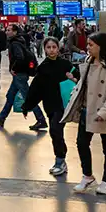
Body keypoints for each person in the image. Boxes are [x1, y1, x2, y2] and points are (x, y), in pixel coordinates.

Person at [66, 32, 106, 195]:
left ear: (101, 46)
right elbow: (84, 85)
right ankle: (87, 175)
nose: (88, 47)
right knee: (81, 143)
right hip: (87, 109)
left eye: (91, 45)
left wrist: (104, 112)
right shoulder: (88, 61)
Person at [21, 37, 76, 176]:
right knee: (55, 132)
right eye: (48, 47)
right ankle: (61, 160)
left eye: (54, 47)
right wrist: (27, 106)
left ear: (58, 48)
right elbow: (35, 89)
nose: (51, 50)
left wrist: (73, 78)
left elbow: (79, 80)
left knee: (55, 130)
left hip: (63, 105)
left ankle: (60, 160)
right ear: (44, 49)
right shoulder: (43, 68)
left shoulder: (66, 65)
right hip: (50, 105)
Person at [0, 25, 47, 131]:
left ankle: (41, 119)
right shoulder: (20, 41)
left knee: (28, 98)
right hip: (20, 74)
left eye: (9, 30)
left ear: (15, 32)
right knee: (10, 96)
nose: (6, 32)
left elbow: (20, 57)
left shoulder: (15, 43)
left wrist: (13, 68)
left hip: (19, 74)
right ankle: (2, 117)